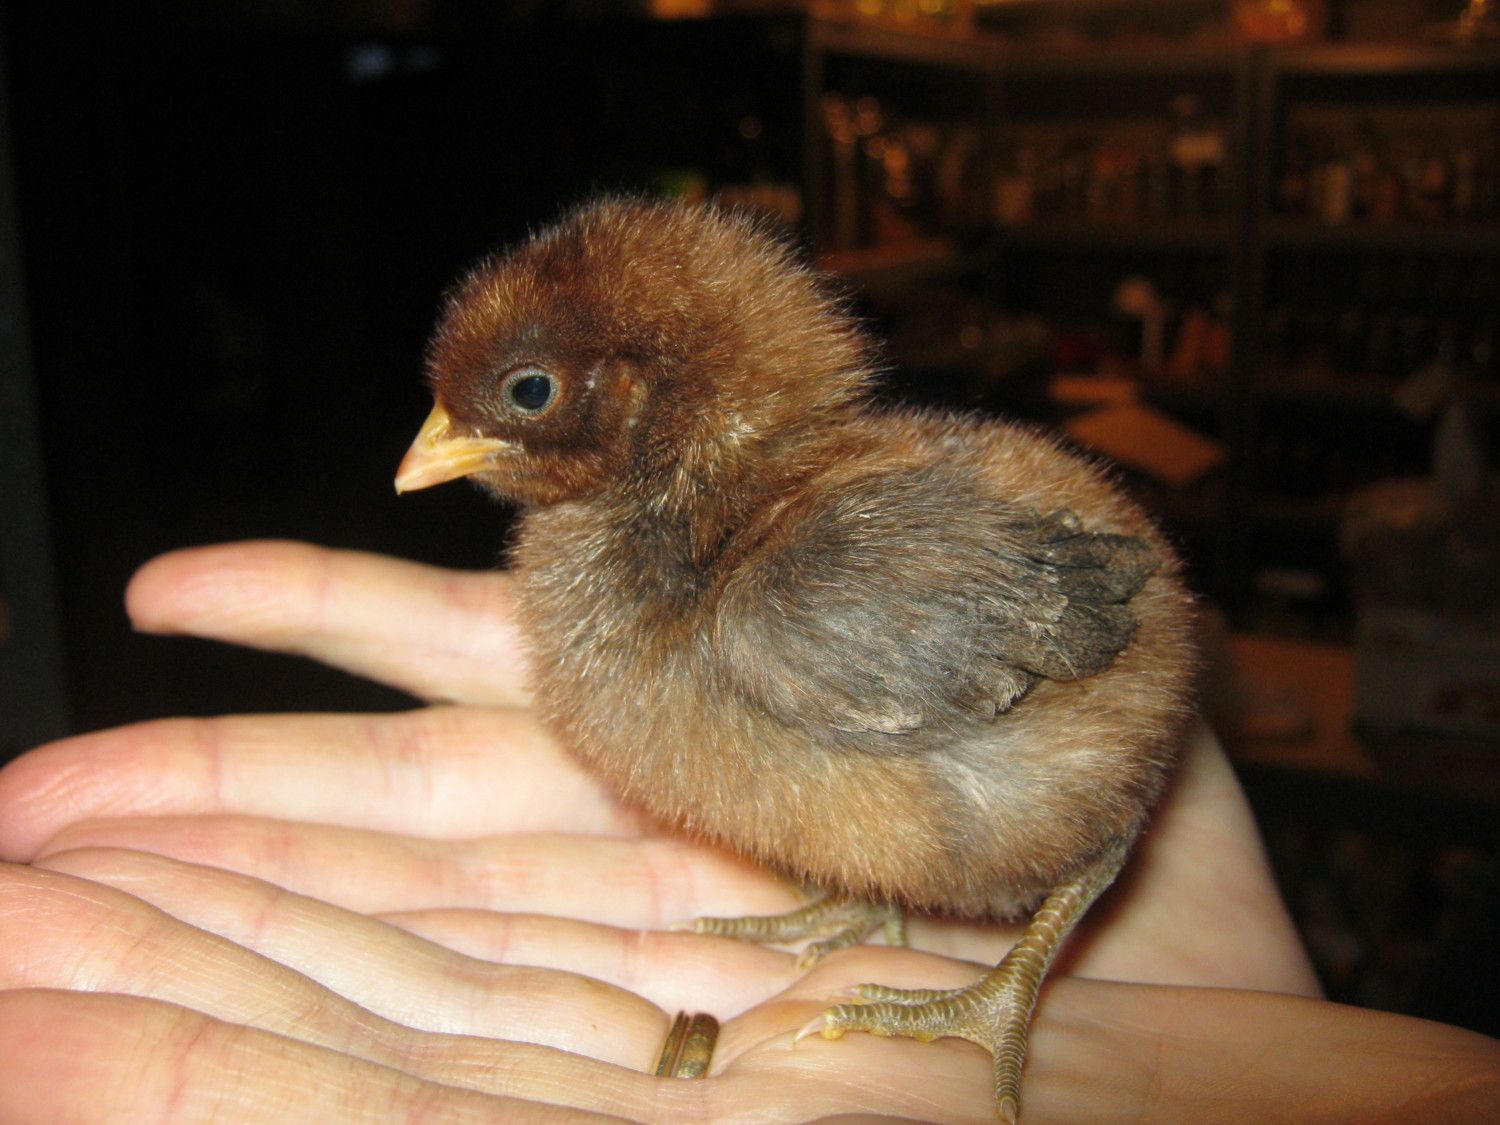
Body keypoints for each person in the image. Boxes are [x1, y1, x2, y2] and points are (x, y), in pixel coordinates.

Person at [0, 541, 1495, 1122]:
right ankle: (886, 906)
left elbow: (1107, 634)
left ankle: (1006, 965)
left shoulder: (784, 606)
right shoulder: (691, 627)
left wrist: (1028, 975)